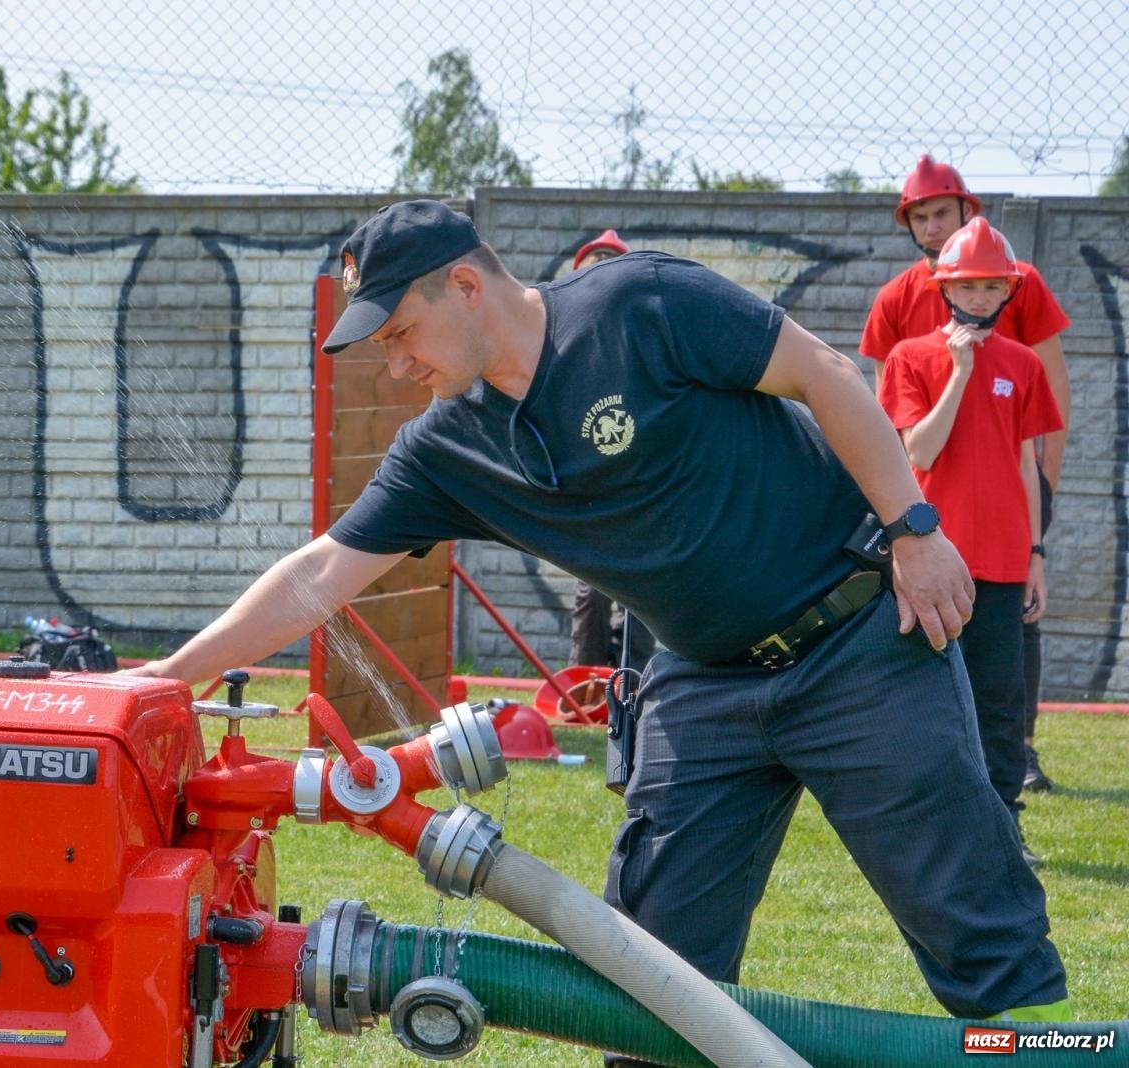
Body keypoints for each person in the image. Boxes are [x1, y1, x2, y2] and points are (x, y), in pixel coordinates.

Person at [127, 200, 1070, 1035]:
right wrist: (162, 679)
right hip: (701, 685)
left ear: (466, 286)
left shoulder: (640, 303)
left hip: (857, 642)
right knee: (649, 971)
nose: (397, 362)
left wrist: (913, 529)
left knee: (973, 922)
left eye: (402, 331)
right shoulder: (446, 449)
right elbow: (319, 573)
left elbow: (823, 373)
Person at [861, 155, 1072, 791]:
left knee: (998, 694)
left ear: (1009, 290)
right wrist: (959, 373)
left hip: (1005, 557)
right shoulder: (909, 351)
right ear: (944, 290)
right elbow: (914, 451)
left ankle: (1005, 814)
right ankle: (922, 807)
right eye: (967, 286)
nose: (979, 296)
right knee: (923, 687)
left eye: (991, 286)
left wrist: (1035, 549)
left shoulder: (1022, 363)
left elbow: (1027, 459)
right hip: (932, 548)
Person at [565, 229, 657, 672]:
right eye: (593, 266)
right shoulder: (568, 343)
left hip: (640, 484)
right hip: (592, 489)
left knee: (641, 598)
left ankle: (634, 683)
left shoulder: (639, 340)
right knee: (592, 595)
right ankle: (582, 684)